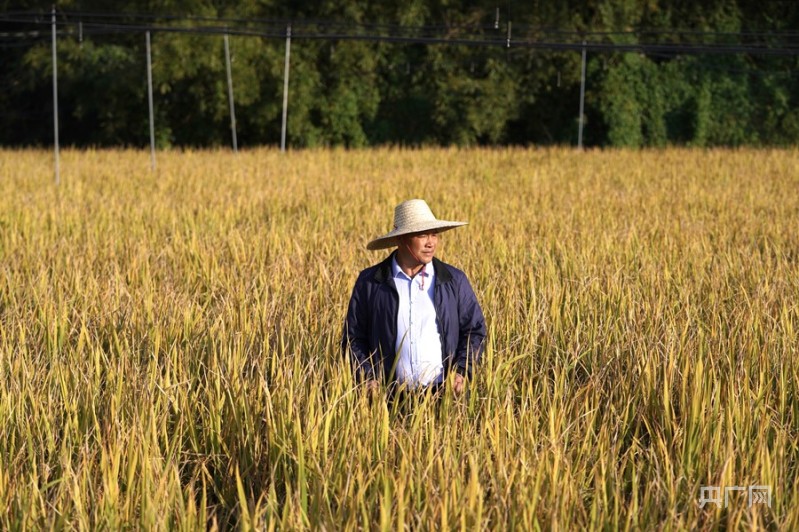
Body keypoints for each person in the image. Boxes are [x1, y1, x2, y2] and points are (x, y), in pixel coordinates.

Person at [341, 199, 486, 399]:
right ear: (401, 239)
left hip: (443, 397)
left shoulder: (453, 280)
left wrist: (461, 371)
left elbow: (475, 330)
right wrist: (367, 378)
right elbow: (353, 338)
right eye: (422, 234)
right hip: (387, 400)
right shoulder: (371, 282)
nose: (431, 242)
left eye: (434, 234)